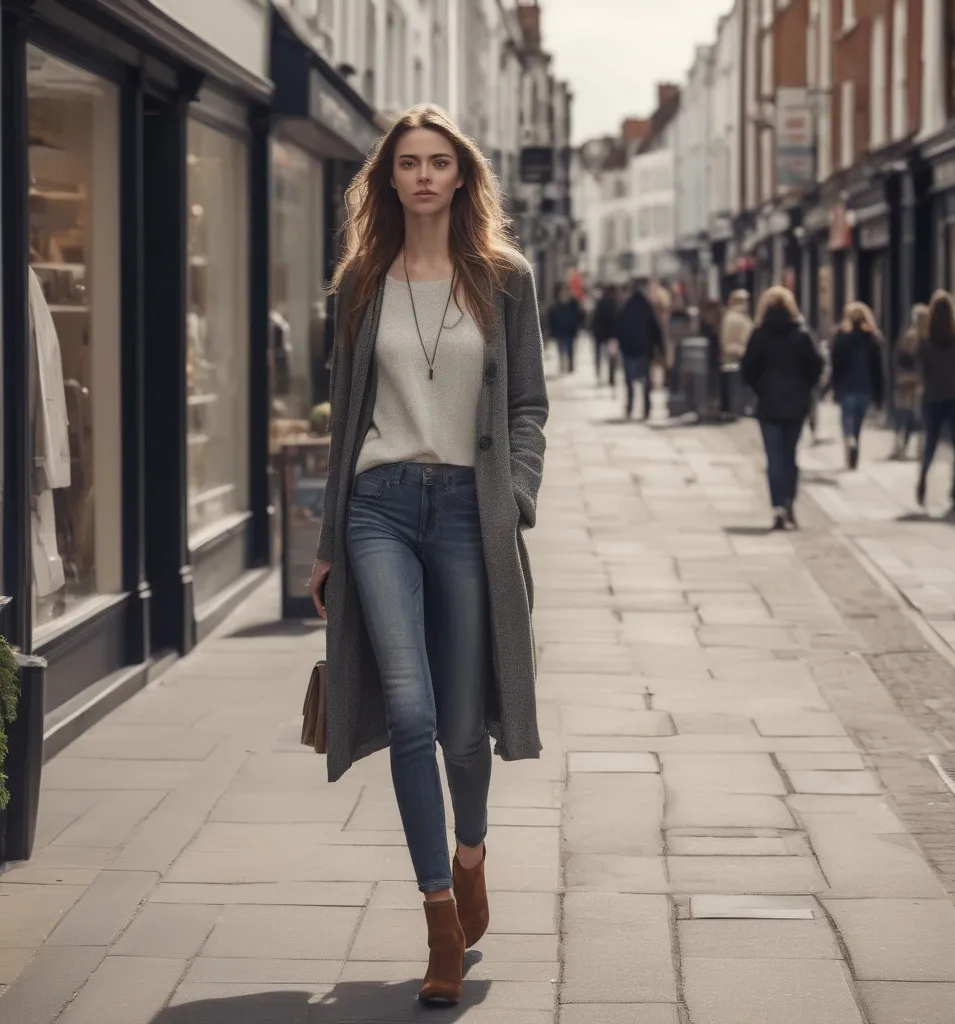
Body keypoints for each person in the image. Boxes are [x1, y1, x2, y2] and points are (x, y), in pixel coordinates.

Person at [307, 104, 548, 1007]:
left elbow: (528, 407)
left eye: (437, 162)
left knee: (459, 729)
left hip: (465, 514)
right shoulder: (361, 282)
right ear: (388, 177)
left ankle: (471, 850)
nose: (421, 176)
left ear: (460, 176)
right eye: (406, 162)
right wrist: (329, 541)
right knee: (409, 710)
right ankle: (440, 916)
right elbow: (342, 426)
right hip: (378, 508)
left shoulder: (505, 279)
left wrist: (513, 497)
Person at [740, 286, 824, 530]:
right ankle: (789, 503)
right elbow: (816, 367)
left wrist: (760, 389)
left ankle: (777, 506)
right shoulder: (802, 335)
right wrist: (805, 388)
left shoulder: (759, 335)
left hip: (768, 405)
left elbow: (748, 369)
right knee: (790, 456)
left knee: (774, 458)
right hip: (796, 405)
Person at [916, 289, 955, 512]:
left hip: (933, 398)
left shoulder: (925, 341)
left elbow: (923, 370)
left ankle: (922, 481)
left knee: (930, 444)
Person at [830, 301, 885, 469]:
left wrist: (834, 385)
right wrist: (879, 395)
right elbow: (878, 368)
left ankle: (849, 440)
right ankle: (854, 448)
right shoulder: (872, 339)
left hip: (847, 387)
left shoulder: (841, 338)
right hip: (865, 387)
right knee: (858, 424)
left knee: (847, 419)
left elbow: (836, 364)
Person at [615, 277, 663, 420]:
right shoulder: (647, 307)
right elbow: (655, 329)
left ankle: (630, 407)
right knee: (645, 382)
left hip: (629, 350)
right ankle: (647, 409)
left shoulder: (625, 307)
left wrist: (621, 345)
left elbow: (619, 328)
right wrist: (660, 347)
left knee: (629, 381)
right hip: (644, 349)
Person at [892, 304, 927, 460]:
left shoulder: (909, 336)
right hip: (918, 382)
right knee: (917, 417)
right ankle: (918, 448)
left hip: (906, 381)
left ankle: (901, 446)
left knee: (904, 415)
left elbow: (900, 359)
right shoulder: (926, 337)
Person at [721, 289, 754, 416]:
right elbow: (728, 342)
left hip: (736, 360)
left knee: (738, 387)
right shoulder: (733, 318)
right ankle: (736, 410)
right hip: (733, 361)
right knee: (736, 387)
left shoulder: (739, 317)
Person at [548, 284, 583, 374]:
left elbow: (579, 316)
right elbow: (552, 318)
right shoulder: (556, 305)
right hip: (560, 331)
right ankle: (562, 365)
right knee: (561, 349)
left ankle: (570, 365)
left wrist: (576, 326)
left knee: (570, 349)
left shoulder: (573, 304)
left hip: (570, 331)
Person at [591, 284, 620, 386]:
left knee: (599, 355)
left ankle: (599, 374)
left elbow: (595, 319)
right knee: (612, 357)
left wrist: (595, 331)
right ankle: (611, 378)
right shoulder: (616, 304)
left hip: (600, 335)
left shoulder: (600, 303)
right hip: (612, 336)